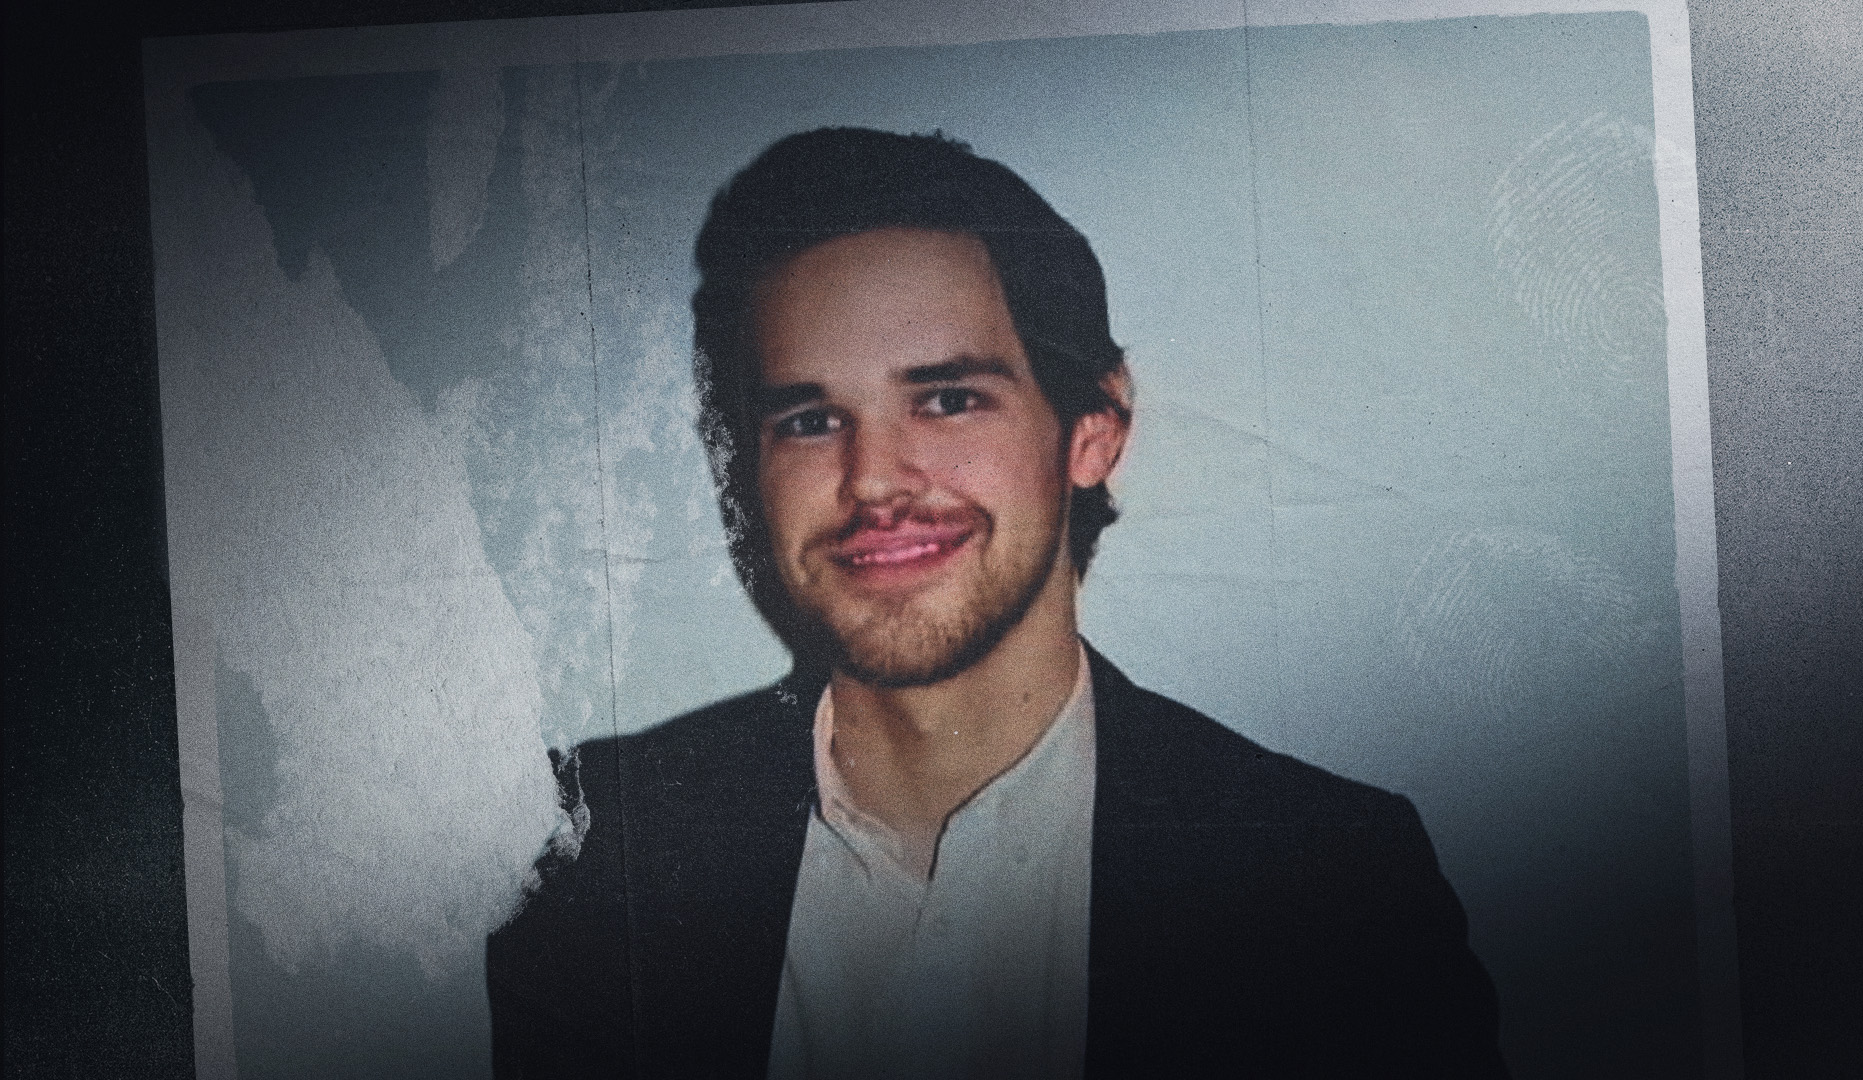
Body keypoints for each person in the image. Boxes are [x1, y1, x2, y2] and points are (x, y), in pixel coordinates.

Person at [487, 127, 1507, 1079]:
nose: (871, 479)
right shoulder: (582, 858)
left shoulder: (1328, 886)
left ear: (1095, 427)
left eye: (947, 399)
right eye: (809, 418)